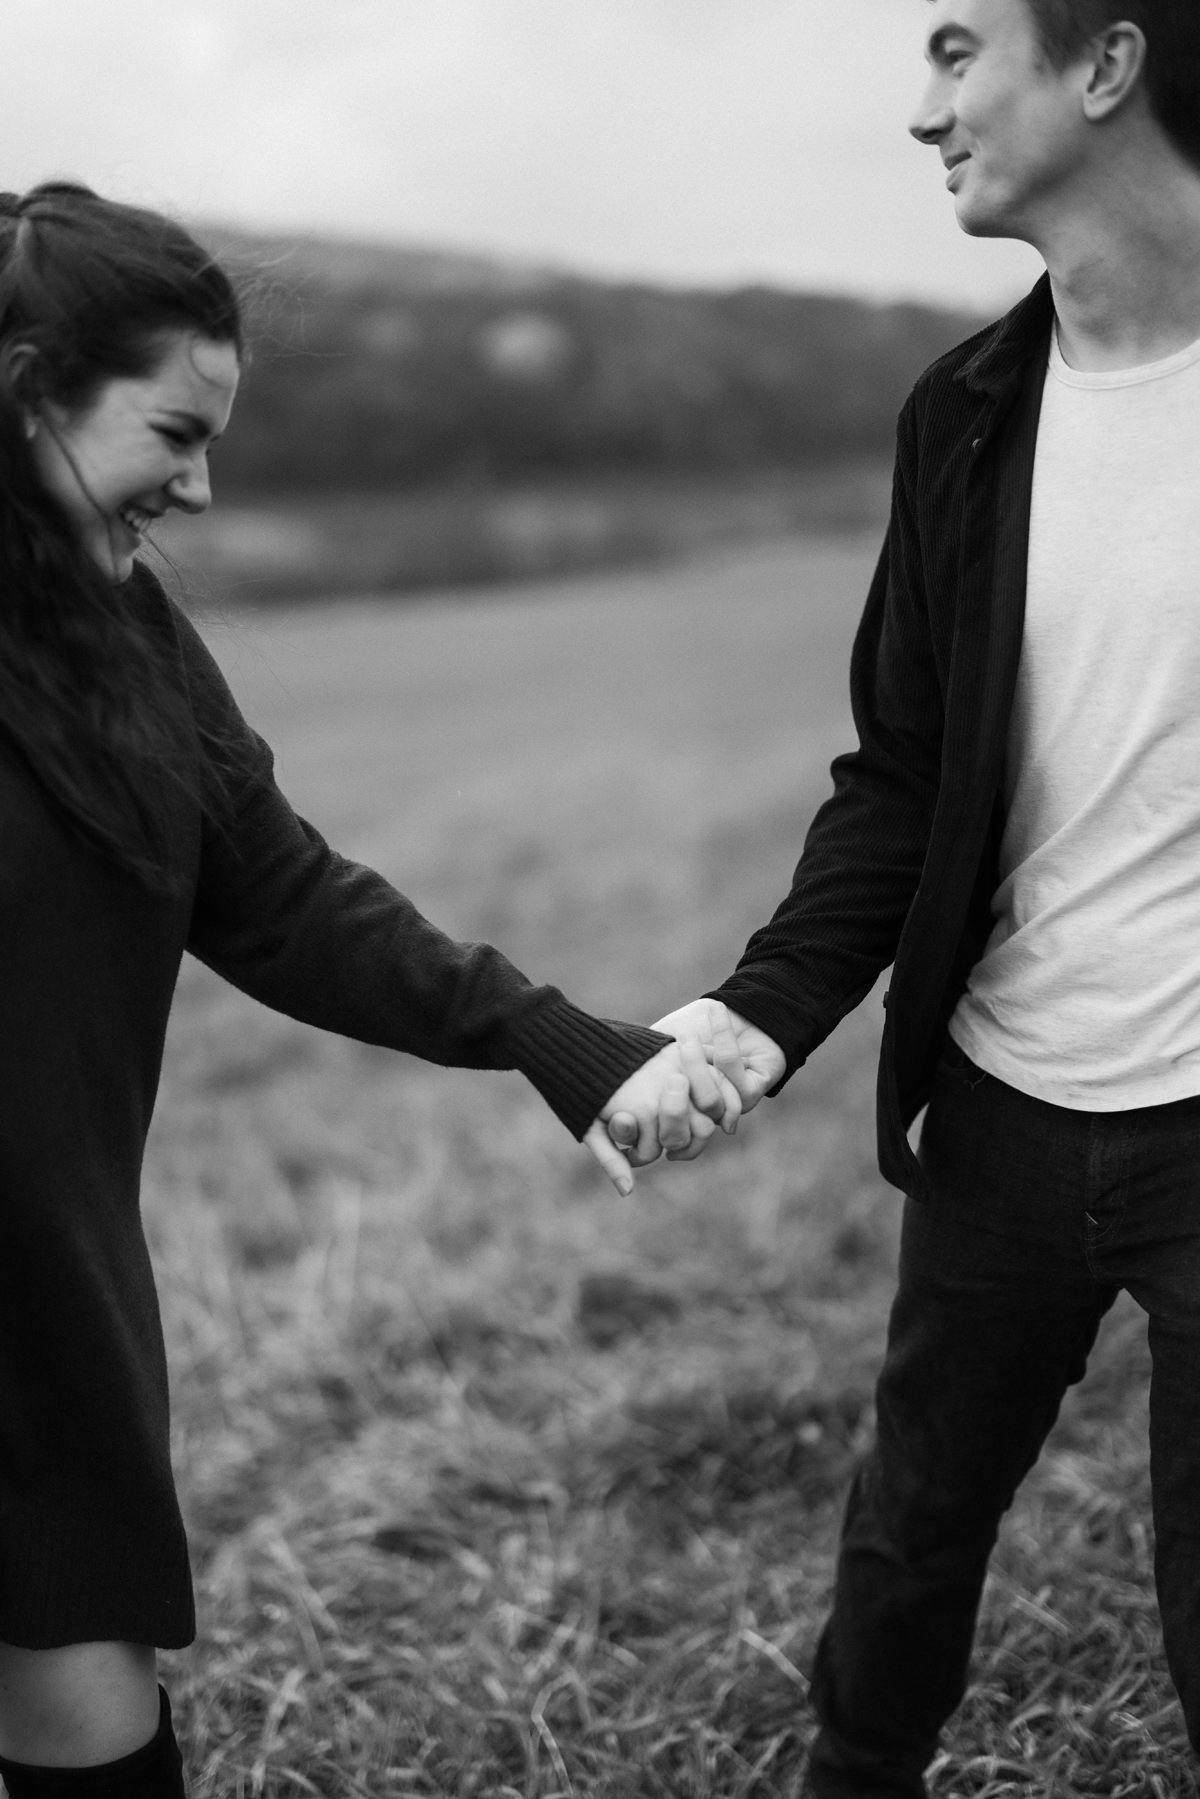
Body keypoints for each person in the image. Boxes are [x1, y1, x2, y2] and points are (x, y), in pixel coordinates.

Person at [0, 180, 740, 1797]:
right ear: (28, 387)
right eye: (171, 430)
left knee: (76, 1692)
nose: (200, 484)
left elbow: (276, 894)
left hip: (36, 1297)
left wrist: (555, 1040)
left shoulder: (119, 641)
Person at [608, 0, 1200, 1789]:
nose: (920, 109)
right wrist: (750, 1016)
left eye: (958, 52)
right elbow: (904, 776)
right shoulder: (963, 413)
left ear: (1106, 64)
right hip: (1008, 1107)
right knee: (907, 1544)